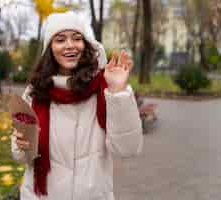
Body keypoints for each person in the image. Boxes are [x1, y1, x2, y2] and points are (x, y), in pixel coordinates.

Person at [11, 12, 143, 200]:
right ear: (50, 48)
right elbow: (21, 156)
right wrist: (21, 145)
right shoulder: (35, 92)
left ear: (86, 45)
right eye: (60, 39)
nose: (70, 45)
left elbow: (128, 149)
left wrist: (117, 91)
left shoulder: (104, 88)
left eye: (77, 38)